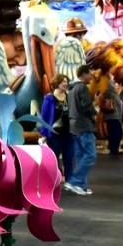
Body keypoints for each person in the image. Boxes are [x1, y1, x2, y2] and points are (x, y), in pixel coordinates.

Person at [65, 65, 98, 195]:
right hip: (84, 126)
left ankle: (81, 186)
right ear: (83, 74)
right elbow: (86, 107)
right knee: (90, 156)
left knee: (80, 156)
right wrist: (95, 110)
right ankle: (75, 181)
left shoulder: (72, 89)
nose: (92, 77)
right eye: (90, 74)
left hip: (74, 126)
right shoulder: (82, 88)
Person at [42, 74, 73, 178]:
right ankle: (54, 180)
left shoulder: (69, 97)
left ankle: (70, 181)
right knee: (54, 158)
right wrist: (44, 134)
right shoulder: (49, 98)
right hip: (54, 134)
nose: (66, 83)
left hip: (68, 133)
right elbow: (44, 117)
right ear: (57, 83)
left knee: (68, 158)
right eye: (63, 81)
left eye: (66, 81)